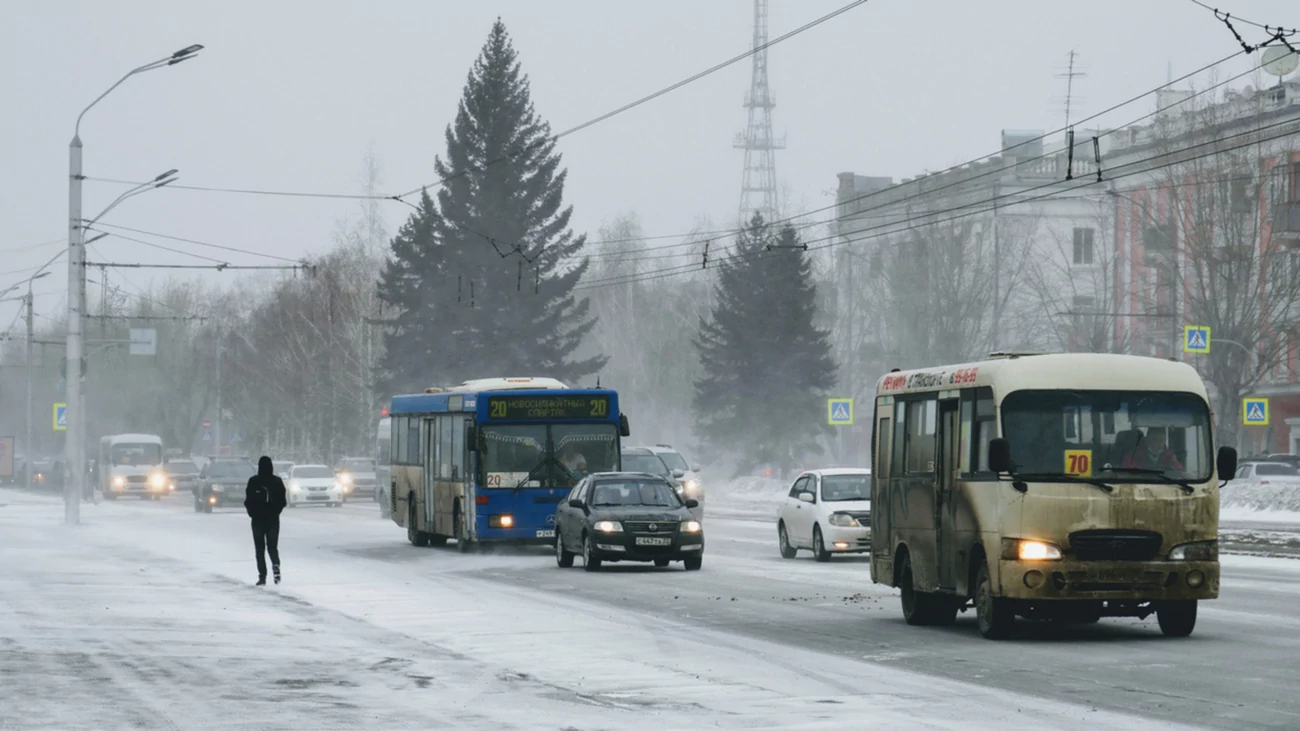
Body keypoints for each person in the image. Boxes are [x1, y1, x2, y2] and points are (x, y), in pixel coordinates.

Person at [244, 456, 287, 586]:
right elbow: (283, 501)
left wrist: (252, 513)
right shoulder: (277, 481)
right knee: (272, 547)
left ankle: (262, 577)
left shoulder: (253, 481)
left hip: (257, 520)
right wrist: (275, 512)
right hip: (273, 519)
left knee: (259, 549)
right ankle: (275, 565)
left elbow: (248, 500)